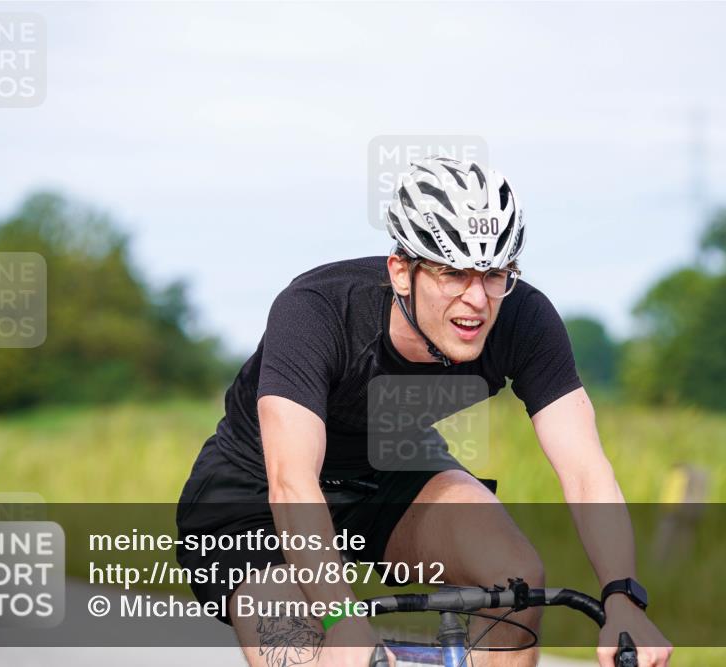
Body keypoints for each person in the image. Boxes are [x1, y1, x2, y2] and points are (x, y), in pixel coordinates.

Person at [176, 156, 672, 667]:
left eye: (494, 273)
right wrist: (341, 621)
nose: (476, 299)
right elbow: (292, 482)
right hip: (254, 500)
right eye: (453, 273)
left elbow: (586, 470)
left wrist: (623, 599)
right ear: (401, 271)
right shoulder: (317, 311)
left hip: (393, 466)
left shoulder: (524, 317)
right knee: (316, 657)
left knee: (515, 575)